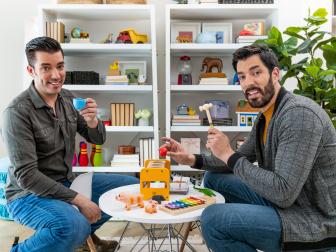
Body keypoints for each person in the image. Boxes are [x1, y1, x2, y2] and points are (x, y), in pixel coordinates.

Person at [161, 44, 336, 251]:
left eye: (256, 73)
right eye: (242, 76)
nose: (248, 83)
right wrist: (191, 159)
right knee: (214, 178)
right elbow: (236, 158)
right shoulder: (265, 116)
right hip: (285, 205)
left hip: (312, 220)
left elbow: (283, 192)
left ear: (275, 74)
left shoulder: (299, 114)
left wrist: (228, 153)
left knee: (214, 220)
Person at [2, 36, 139, 252]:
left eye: (60, 66)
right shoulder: (16, 113)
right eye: (46, 68)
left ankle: (85, 240)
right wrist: (80, 200)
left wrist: (93, 121)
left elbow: (97, 139)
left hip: (67, 181)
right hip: (28, 194)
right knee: (72, 226)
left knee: (126, 188)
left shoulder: (67, 99)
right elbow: (27, 176)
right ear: (31, 71)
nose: (56, 75)